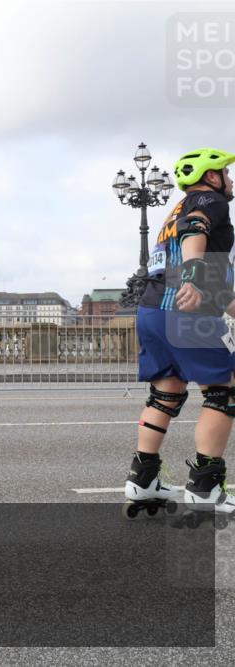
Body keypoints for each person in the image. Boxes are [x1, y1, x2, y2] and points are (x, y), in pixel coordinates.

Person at [124, 148, 235, 520]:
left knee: (166, 392)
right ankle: (205, 488)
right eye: (226, 173)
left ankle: (142, 480)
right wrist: (194, 274)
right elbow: (196, 229)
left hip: (152, 309)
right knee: (224, 391)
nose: (230, 180)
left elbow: (218, 288)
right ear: (212, 177)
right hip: (186, 309)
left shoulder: (173, 211)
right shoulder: (209, 200)